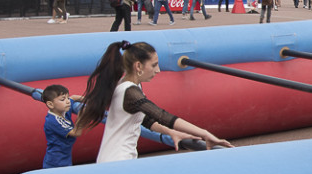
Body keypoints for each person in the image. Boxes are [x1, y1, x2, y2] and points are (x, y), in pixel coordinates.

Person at [75, 41, 231, 163]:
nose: (158, 70)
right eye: (154, 65)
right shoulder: (130, 91)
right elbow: (161, 115)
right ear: (138, 66)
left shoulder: (129, 84)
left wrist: (171, 132)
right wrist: (205, 134)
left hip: (118, 158)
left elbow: (146, 120)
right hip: (117, 160)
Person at [41, 84, 82, 169]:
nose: (67, 101)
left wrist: (90, 100)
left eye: (67, 98)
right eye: (63, 99)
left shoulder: (63, 110)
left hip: (65, 157)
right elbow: (76, 132)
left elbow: (73, 97)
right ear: (51, 104)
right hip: (56, 161)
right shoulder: (53, 121)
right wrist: (82, 116)